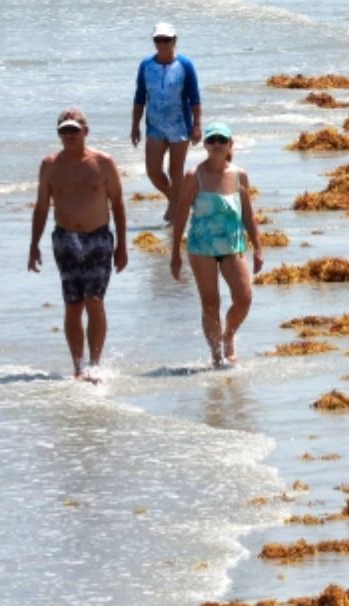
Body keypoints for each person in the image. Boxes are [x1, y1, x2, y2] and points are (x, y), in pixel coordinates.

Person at [28, 109, 129, 382]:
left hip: (98, 238)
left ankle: (95, 364)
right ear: (59, 133)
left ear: (85, 131)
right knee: (73, 304)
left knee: (94, 300)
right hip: (65, 239)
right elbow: (41, 208)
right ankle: (78, 366)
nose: (69, 135)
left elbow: (118, 204)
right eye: (64, 130)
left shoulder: (103, 162)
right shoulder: (49, 165)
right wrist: (33, 245)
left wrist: (122, 245)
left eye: (74, 130)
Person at [170, 122, 264, 366]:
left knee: (244, 298)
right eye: (212, 140)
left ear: (230, 145)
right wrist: (175, 254)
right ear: (206, 145)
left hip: (233, 245)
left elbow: (248, 215)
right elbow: (180, 215)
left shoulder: (239, 175)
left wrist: (258, 248)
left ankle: (228, 336)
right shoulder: (194, 176)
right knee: (211, 304)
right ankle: (217, 356)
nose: (217, 145)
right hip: (202, 247)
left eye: (222, 140)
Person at [131, 22, 201, 224]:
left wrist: (196, 126)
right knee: (153, 170)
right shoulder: (146, 65)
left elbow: (194, 98)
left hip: (180, 125)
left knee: (175, 170)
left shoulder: (185, 65)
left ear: (174, 41)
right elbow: (139, 97)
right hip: (155, 126)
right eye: (158, 40)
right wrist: (135, 125)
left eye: (166, 40)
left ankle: (176, 210)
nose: (162, 44)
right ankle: (176, 200)